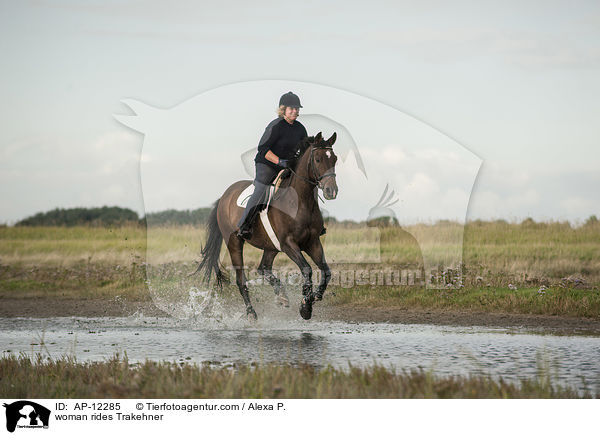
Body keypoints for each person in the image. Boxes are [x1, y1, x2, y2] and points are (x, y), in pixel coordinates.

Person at [236, 91, 308, 239]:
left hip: (288, 165)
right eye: (291, 108)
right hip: (268, 164)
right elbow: (263, 149)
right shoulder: (276, 126)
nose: (295, 111)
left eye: (297, 108)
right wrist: (280, 162)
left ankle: (311, 224)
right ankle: (244, 225)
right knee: (261, 189)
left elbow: (305, 150)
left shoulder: (300, 128)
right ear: (283, 110)